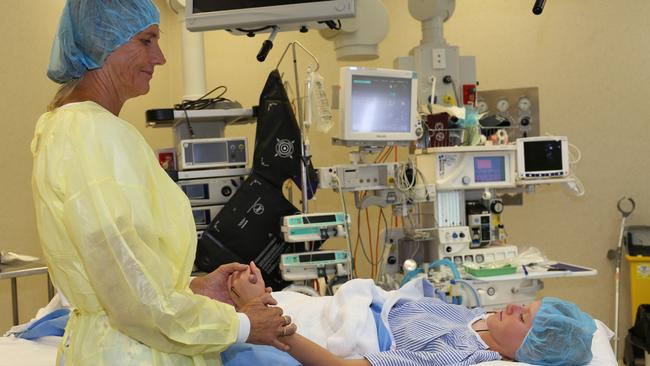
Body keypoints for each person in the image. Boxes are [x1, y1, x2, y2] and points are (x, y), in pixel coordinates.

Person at [30, 1, 296, 365]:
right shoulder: (85, 132)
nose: (160, 57)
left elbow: (125, 273)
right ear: (101, 45)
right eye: (147, 40)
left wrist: (192, 288)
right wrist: (242, 326)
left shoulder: (97, 130)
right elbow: (132, 299)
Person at [229, 265, 598, 366]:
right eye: (525, 306)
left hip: (295, 335)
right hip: (331, 307)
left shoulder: (459, 353)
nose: (515, 306)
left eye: (523, 319)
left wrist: (265, 318)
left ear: (526, 352)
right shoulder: (468, 317)